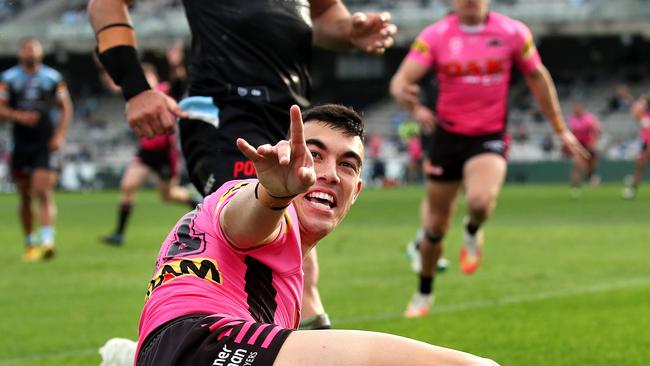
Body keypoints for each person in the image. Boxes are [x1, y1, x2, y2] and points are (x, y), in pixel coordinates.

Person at [87, 0, 396, 329]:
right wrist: (135, 88)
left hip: (291, 116)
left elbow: (322, 14)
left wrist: (350, 29)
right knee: (265, 249)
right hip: (225, 116)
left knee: (300, 265)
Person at [134, 104, 499, 366]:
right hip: (203, 344)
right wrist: (273, 194)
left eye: (347, 165)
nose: (329, 173)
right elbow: (244, 224)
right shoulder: (247, 200)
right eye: (314, 155)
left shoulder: (288, 273)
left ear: (355, 192)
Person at [390, 0, 588, 318]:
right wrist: (411, 104)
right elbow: (400, 82)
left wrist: (560, 129)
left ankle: (472, 227)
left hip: (489, 136)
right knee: (435, 227)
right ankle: (424, 292)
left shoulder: (512, 32)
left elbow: (537, 77)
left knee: (480, 203)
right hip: (447, 138)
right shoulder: (435, 35)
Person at [100, 63, 200, 246]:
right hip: (146, 151)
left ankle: (197, 204)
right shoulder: (139, 97)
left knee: (167, 195)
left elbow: (179, 83)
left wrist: (176, 65)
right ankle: (119, 234)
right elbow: (119, 89)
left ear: (155, 77)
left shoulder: (164, 91)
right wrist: (109, 74)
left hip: (165, 153)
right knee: (128, 186)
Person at [0, 37, 73, 262]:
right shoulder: (8, 78)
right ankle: (29, 242)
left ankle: (48, 242)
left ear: (41, 52)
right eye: (26, 48)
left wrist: (59, 135)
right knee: (24, 195)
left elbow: (66, 107)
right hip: (21, 143)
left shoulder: (52, 78)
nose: (30, 52)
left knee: (43, 190)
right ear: (20, 53)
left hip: (45, 141)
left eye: (34, 48)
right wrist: (19, 116)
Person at [568, 102, 600, 197]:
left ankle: (591, 178)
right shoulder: (572, 119)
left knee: (590, 165)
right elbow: (571, 133)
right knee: (577, 164)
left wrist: (593, 142)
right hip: (578, 145)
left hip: (588, 145)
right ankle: (575, 185)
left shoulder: (589, 119)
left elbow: (596, 131)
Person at [621, 92, 650, 199]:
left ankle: (632, 189)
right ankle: (632, 189)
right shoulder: (644, 115)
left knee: (640, 164)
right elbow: (635, 112)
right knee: (639, 166)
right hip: (645, 142)